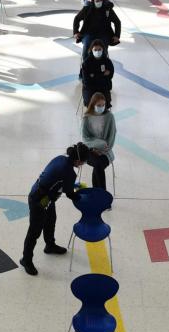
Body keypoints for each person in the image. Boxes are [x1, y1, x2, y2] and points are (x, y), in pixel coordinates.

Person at [19, 143, 88, 276]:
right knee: (34, 231)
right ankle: (26, 260)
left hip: (46, 197)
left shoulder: (61, 158)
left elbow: (58, 179)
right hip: (39, 200)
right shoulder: (69, 172)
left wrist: (73, 185)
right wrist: (84, 197)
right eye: (84, 162)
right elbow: (70, 194)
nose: (83, 164)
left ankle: (49, 245)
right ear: (79, 161)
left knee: (50, 220)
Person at [74, 0, 121, 64]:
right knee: (86, 45)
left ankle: (104, 64)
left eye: (101, 0)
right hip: (88, 33)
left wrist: (117, 35)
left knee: (103, 48)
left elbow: (117, 22)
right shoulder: (87, 9)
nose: (99, 2)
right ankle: (85, 65)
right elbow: (77, 19)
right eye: (97, 0)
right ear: (93, 1)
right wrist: (76, 32)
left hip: (104, 33)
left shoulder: (107, 9)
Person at [82, 92, 116, 190]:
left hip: (106, 151)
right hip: (90, 150)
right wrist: (94, 147)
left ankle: (98, 194)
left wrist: (102, 148)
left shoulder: (110, 117)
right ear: (93, 105)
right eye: (98, 105)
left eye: (103, 105)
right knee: (98, 166)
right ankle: (102, 195)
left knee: (98, 166)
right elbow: (85, 138)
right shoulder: (86, 118)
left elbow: (112, 136)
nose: (101, 107)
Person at [81, 39, 114, 106]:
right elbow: (86, 80)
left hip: (103, 86)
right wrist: (102, 74)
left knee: (106, 103)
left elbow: (110, 76)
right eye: (95, 50)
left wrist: (93, 75)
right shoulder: (87, 63)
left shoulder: (107, 61)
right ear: (91, 50)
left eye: (99, 49)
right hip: (90, 87)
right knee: (90, 103)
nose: (97, 51)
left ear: (103, 50)